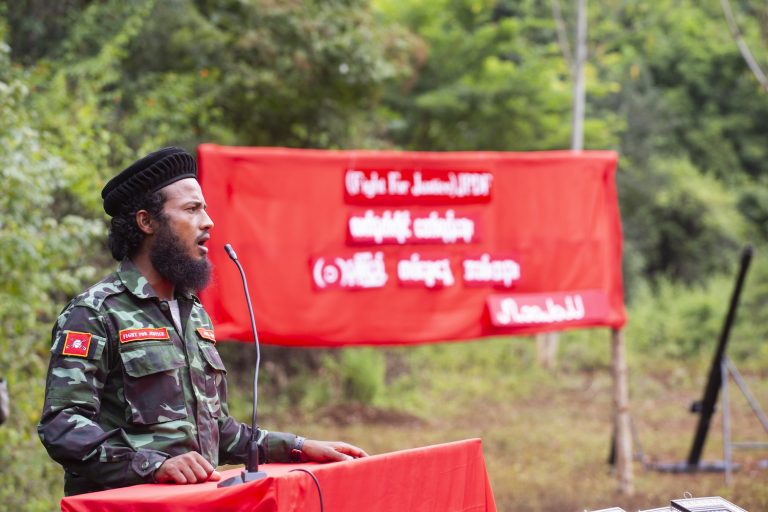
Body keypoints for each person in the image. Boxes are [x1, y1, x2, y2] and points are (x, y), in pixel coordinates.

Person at [38, 147, 367, 495]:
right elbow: (63, 426)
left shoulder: (193, 312)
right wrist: (154, 465)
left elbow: (217, 431)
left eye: (205, 209)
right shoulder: (95, 312)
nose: (208, 221)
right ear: (147, 222)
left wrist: (298, 446)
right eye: (192, 209)